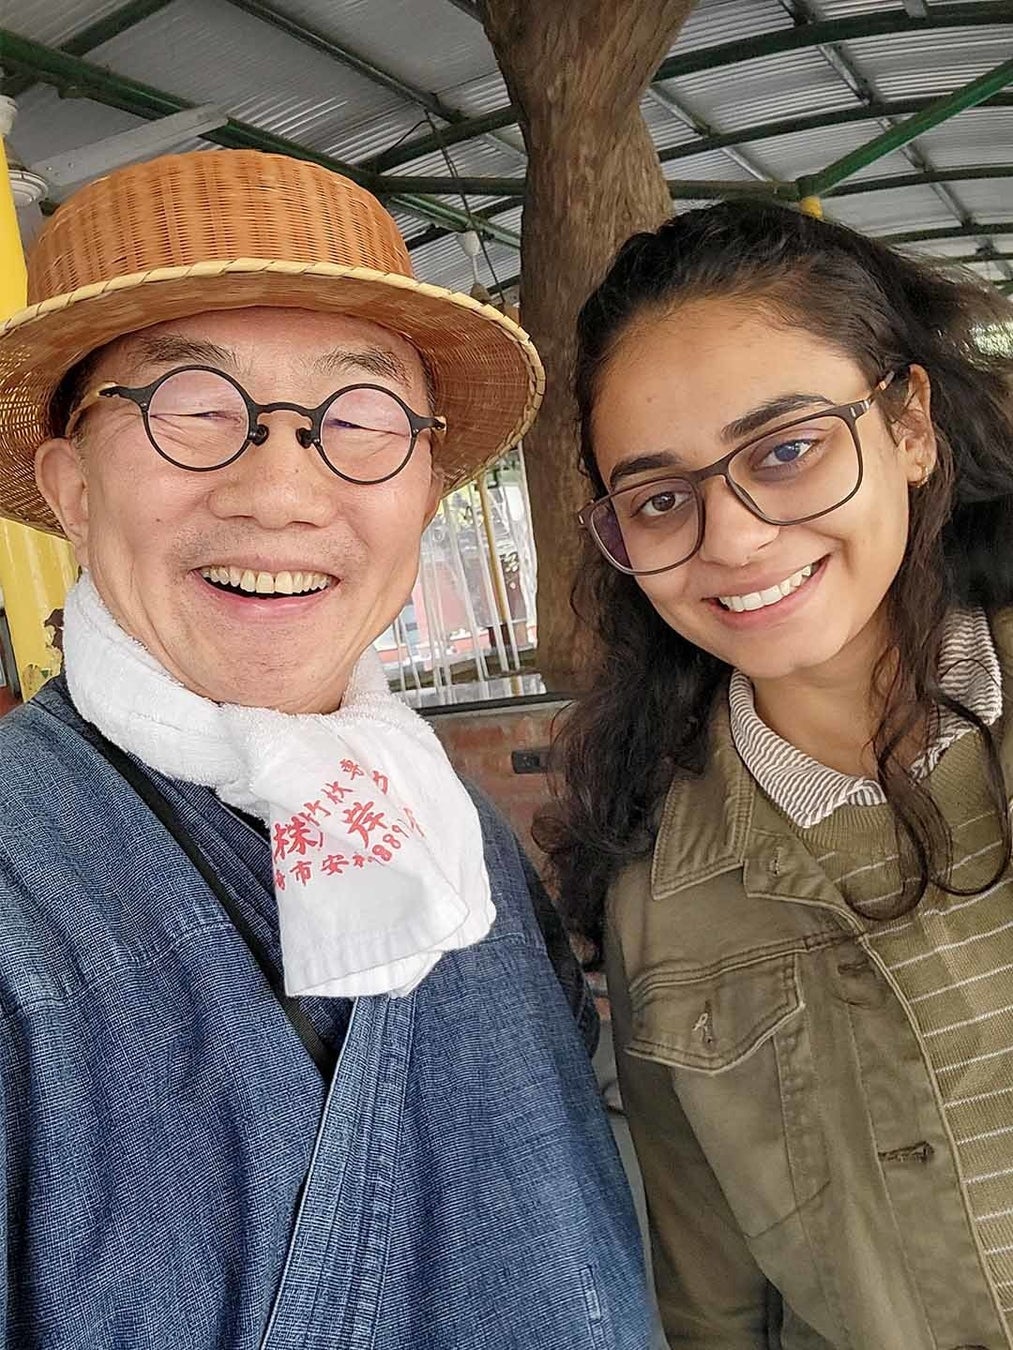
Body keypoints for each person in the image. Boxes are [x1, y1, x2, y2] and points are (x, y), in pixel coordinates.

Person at [0, 148, 649, 1349]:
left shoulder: (444, 825)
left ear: (424, 491)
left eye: (357, 420)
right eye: (193, 408)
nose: (282, 493)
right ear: (73, 487)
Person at [540, 197, 1013, 1347]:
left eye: (785, 450)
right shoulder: (658, 898)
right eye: (660, 499)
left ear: (907, 425)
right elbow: (711, 1303)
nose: (733, 538)